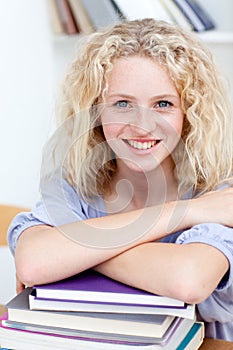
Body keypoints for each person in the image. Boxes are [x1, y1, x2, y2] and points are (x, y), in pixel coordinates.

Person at [8, 18, 233, 340]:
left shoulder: (219, 192)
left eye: (163, 104)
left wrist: (74, 253)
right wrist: (185, 213)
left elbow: (187, 279)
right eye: (123, 104)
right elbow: (35, 261)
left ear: (189, 114)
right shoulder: (74, 183)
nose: (142, 126)